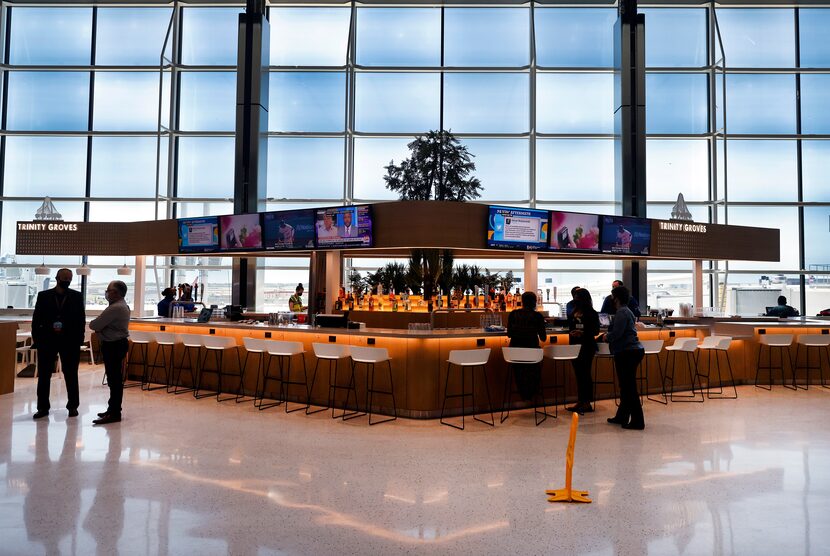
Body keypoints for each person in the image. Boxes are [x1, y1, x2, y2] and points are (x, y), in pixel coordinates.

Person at [31, 268, 86, 420]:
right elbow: (37, 319)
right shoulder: (44, 296)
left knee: (71, 375)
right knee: (44, 375)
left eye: (69, 279)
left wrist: (79, 340)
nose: (67, 281)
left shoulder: (76, 296)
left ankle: (73, 406)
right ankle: (42, 407)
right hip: (47, 341)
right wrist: (37, 339)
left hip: (70, 341)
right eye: (64, 278)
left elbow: (81, 319)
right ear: (57, 278)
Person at [600, 285, 645, 430]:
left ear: (616, 298)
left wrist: (606, 337)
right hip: (634, 351)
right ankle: (622, 416)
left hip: (627, 352)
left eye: (613, 297)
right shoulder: (628, 311)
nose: (611, 300)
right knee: (626, 386)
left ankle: (638, 420)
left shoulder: (621, 313)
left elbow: (617, 334)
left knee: (628, 388)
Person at [89, 281, 131, 425]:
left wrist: (100, 329)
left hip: (114, 345)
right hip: (117, 344)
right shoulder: (122, 305)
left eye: (109, 290)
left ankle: (114, 412)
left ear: (116, 293)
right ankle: (112, 409)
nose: (106, 292)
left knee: (114, 380)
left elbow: (94, 325)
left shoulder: (115, 308)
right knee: (114, 380)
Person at [506, 291, 547, 401]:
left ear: (522, 302)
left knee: (520, 372)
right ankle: (532, 393)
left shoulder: (513, 314)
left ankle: (523, 393)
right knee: (533, 371)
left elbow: (509, 334)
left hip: (515, 353)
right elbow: (543, 338)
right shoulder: (538, 316)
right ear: (535, 302)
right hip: (532, 354)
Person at [567, 288, 600, 414]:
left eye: (577, 297)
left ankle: (587, 402)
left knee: (585, 374)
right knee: (579, 374)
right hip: (574, 346)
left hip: (586, 346)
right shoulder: (574, 311)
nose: (575, 299)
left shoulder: (591, 313)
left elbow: (596, 331)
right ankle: (581, 401)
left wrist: (582, 332)